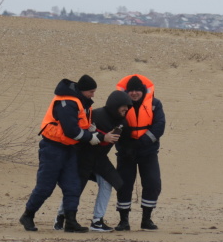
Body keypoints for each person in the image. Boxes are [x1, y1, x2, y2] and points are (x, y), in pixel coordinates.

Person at [19, 74, 113, 232]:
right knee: (45, 187)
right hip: (52, 148)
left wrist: (92, 132)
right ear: (82, 91)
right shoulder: (66, 102)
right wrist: (90, 138)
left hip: (69, 149)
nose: (93, 95)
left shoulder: (82, 103)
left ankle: (71, 222)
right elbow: (70, 130)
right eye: (91, 91)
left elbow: (80, 126)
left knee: (73, 186)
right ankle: (28, 215)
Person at [53, 90, 132, 232]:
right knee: (75, 188)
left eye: (128, 106)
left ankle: (97, 221)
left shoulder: (123, 122)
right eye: (124, 106)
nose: (126, 109)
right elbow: (78, 133)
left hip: (100, 159)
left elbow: (126, 141)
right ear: (115, 105)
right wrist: (100, 136)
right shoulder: (95, 114)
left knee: (109, 181)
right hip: (82, 157)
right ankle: (61, 216)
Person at [114, 74, 166, 231]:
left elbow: (159, 126)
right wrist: (127, 145)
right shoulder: (119, 105)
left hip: (148, 151)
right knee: (124, 185)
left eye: (137, 90)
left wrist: (142, 142)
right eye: (131, 90)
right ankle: (123, 221)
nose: (134, 93)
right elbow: (114, 125)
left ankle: (146, 219)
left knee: (152, 183)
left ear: (143, 91)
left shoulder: (155, 104)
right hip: (125, 152)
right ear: (126, 92)